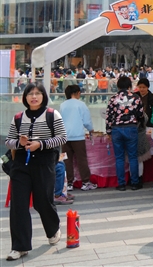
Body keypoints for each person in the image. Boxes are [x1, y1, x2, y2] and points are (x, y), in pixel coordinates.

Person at [5, 83, 67, 261]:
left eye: (38, 93)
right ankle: (20, 246)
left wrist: (40, 144)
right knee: (18, 205)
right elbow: (8, 141)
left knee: (43, 201)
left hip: (44, 163)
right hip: (21, 164)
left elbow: (62, 137)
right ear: (25, 97)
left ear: (43, 96)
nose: (34, 96)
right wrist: (20, 143)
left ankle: (53, 229)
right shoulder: (18, 117)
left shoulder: (52, 114)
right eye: (30, 94)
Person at [106, 75, 144, 191]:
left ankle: (121, 184)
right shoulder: (136, 97)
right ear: (129, 86)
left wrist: (108, 131)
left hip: (116, 129)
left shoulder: (113, 98)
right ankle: (134, 183)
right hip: (131, 128)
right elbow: (140, 114)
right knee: (133, 157)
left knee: (119, 158)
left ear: (118, 86)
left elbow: (109, 116)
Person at [59, 84, 96, 191]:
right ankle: (85, 182)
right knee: (82, 159)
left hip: (64, 136)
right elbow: (86, 121)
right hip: (78, 136)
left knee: (66, 160)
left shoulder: (62, 105)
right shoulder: (81, 104)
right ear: (77, 93)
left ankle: (68, 183)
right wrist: (91, 129)